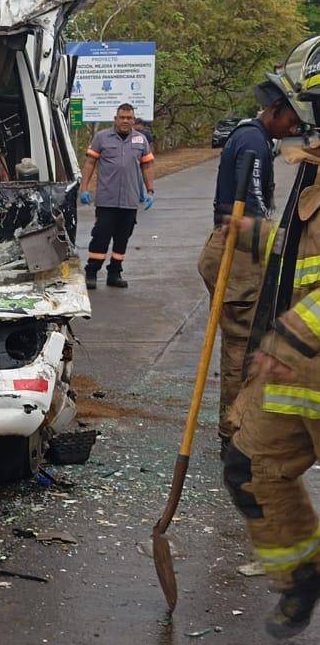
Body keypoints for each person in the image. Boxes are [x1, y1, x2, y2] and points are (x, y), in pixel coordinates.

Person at [222, 35, 320, 639]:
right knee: (248, 465)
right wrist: (249, 237)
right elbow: (303, 254)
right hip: (299, 371)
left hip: (298, 355)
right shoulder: (312, 168)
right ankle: (302, 578)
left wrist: (286, 337)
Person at [198, 93, 302, 454]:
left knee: (240, 344)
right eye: (291, 120)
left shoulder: (251, 136)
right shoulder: (254, 144)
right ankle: (234, 433)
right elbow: (251, 211)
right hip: (237, 250)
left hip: (231, 246)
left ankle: (235, 427)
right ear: (275, 109)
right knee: (241, 347)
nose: (293, 128)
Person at [79, 103, 155, 290]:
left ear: (133, 120)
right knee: (101, 236)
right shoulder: (102, 137)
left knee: (122, 238)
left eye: (129, 118)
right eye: (122, 117)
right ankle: (91, 272)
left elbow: (147, 166)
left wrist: (150, 191)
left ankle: (114, 273)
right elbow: (90, 163)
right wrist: (84, 188)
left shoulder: (140, 140)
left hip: (130, 200)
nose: (125, 121)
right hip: (107, 199)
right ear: (115, 119)